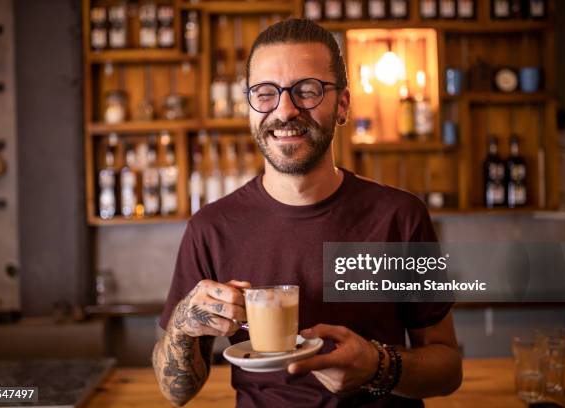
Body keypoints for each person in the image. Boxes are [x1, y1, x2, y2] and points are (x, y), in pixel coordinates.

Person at [152, 18, 462, 407]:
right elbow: (175, 392)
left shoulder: (400, 216)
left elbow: (448, 368)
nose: (285, 110)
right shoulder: (211, 228)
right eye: (265, 93)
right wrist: (183, 325)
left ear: (343, 104)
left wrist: (377, 367)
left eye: (307, 90)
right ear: (248, 105)